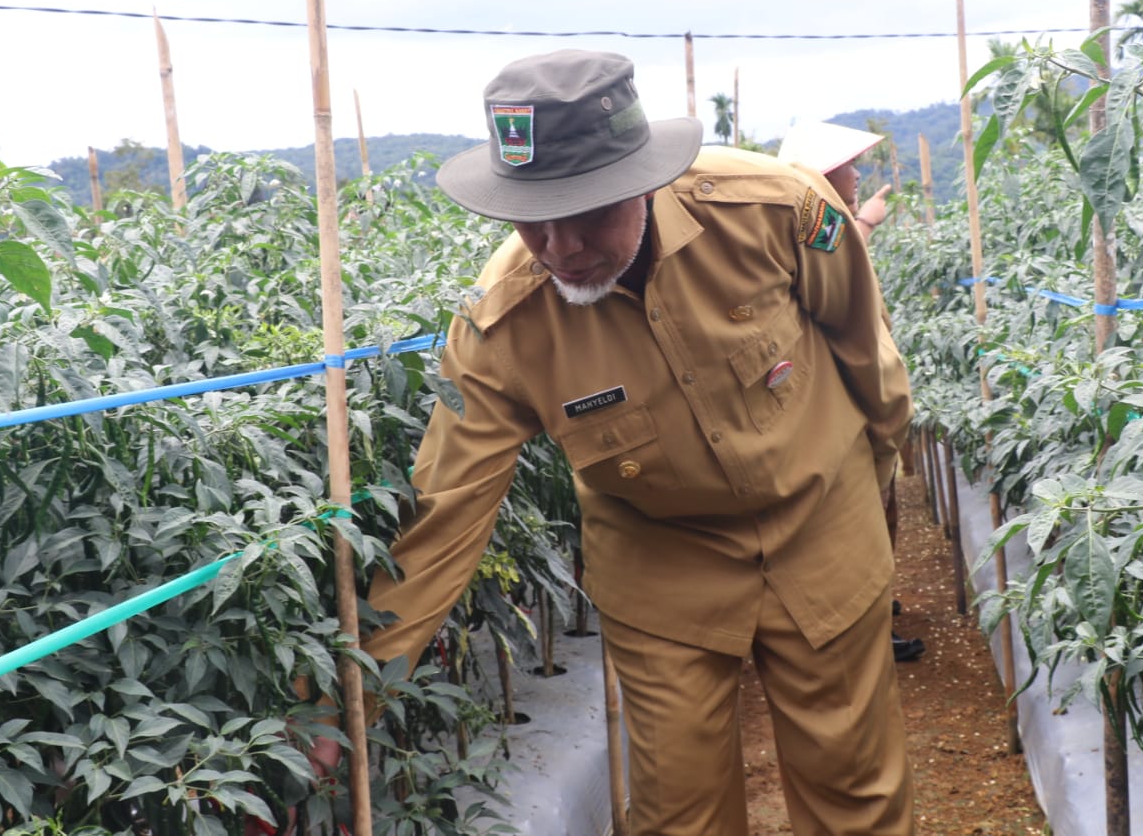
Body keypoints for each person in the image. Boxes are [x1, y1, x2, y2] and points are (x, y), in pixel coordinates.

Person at [359, 49, 915, 836]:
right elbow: (443, 512)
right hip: (662, 570)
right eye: (532, 219)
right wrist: (356, 696)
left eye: (587, 212)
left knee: (856, 795)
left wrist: (872, 493)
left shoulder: (775, 209)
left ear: (644, 179)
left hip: (823, 527)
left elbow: (867, 349)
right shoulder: (499, 328)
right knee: (677, 813)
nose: (559, 247)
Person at [778, 120, 924, 664]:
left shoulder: (825, 230)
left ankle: (872, 627)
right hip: (843, 426)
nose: (857, 173)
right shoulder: (809, 230)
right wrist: (863, 222)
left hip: (856, 422)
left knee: (873, 531)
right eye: (847, 165)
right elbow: (823, 298)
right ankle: (860, 640)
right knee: (851, 542)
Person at [778, 119, 895, 237]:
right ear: (828, 173)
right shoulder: (803, 221)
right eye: (850, 164)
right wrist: (866, 221)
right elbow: (838, 253)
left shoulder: (800, 213)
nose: (857, 175)